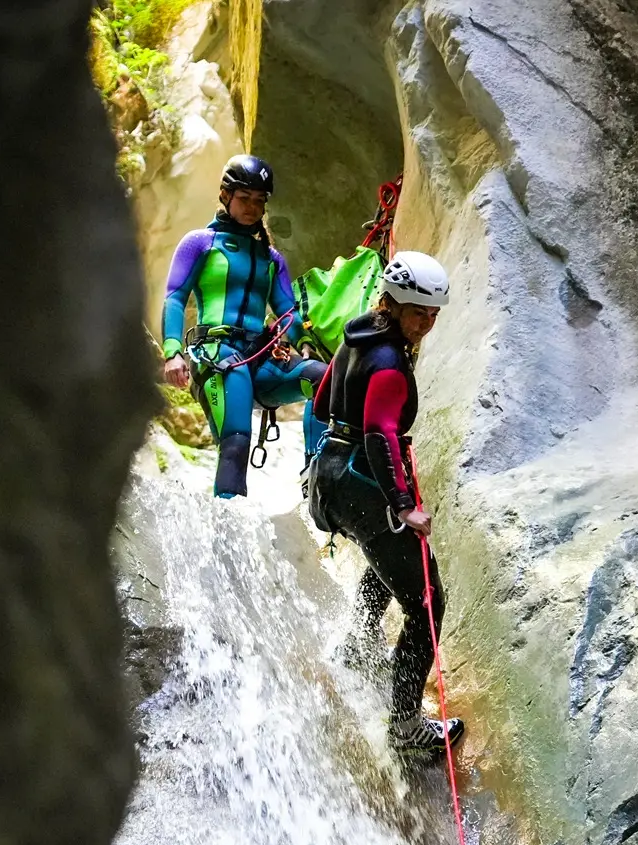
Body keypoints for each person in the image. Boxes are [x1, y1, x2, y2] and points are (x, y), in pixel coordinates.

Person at [308, 252, 466, 756]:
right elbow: (380, 436)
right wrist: (403, 505)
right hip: (364, 481)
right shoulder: (391, 363)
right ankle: (406, 728)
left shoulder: (358, 334)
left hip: (330, 472)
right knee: (427, 603)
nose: (428, 322)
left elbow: (319, 404)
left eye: (434, 312)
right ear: (394, 304)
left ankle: (357, 644)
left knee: (384, 561)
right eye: (419, 311)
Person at [160, 154, 328, 498]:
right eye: (244, 199)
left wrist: (304, 343)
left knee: (325, 379)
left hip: (261, 356)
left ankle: (317, 475)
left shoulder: (271, 258)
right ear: (225, 196)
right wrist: (173, 352)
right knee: (236, 441)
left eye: (259, 201)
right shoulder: (200, 243)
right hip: (218, 356)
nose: (252, 207)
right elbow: (175, 298)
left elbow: (287, 312)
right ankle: (225, 517)